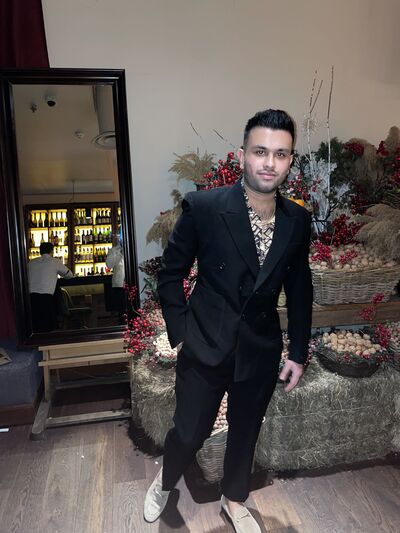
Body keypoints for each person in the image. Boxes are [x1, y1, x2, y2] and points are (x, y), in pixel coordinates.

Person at [144, 109, 313, 532]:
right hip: (205, 342)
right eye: (260, 151)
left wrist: (297, 353)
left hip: (259, 347)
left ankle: (233, 498)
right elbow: (170, 274)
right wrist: (182, 333)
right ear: (242, 155)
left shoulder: (297, 219)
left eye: (280, 154)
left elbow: (300, 289)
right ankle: (165, 482)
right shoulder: (205, 206)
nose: (269, 163)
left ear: (291, 160)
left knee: (245, 431)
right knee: (190, 431)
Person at [28, 242, 73, 332]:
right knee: (48, 328)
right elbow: (70, 275)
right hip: (46, 299)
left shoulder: (31, 263)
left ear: (40, 251)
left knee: (35, 328)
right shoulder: (55, 262)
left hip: (31, 299)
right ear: (51, 251)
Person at [105, 237, 126, 323]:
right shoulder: (113, 251)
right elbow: (109, 265)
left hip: (133, 282)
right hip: (119, 285)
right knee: (121, 311)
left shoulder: (133, 247)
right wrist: (119, 254)